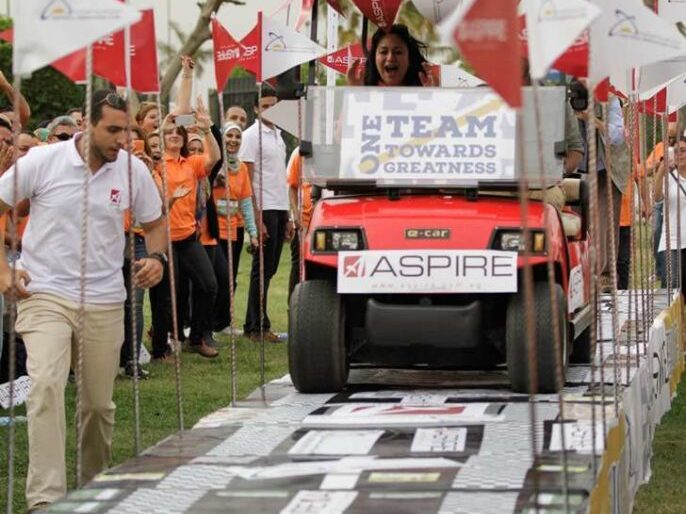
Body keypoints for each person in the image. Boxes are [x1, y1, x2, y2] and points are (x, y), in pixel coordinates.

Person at [0, 89, 166, 512]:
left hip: (106, 299)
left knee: (96, 406)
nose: (123, 139)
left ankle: (93, 490)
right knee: (46, 388)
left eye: (128, 130)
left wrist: (159, 258)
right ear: (86, 125)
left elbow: (156, 223)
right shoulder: (42, 162)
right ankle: (45, 499)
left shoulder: (133, 172)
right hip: (45, 293)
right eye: (113, 130)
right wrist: (3, 268)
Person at [162, 99, 221, 357]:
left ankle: (197, 338)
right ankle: (161, 344)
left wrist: (206, 130)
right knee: (169, 294)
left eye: (179, 133)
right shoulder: (155, 163)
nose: (175, 135)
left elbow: (215, 158)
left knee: (209, 285)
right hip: (163, 239)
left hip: (188, 237)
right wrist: (166, 122)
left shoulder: (191, 163)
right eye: (170, 133)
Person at [240, 84, 293, 343]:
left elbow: (279, 177)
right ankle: (254, 327)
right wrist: (256, 217)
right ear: (255, 108)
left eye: (274, 105)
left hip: (279, 207)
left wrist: (288, 217)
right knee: (261, 269)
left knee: (270, 269)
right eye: (265, 106)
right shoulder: (251, 136)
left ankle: (260, 322)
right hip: (264, 207)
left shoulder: (279, 135)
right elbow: (246, 180)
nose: (270, 110)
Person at [571, 80, 629, 287]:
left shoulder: (610, 100)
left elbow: (616, 136)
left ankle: (605, 277)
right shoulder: (564, 103)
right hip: (575, 169)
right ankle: (578, 271)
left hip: (607, 170)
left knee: (605, 224)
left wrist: (591, 119)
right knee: (575, 221)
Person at [214, 123, 258, 298]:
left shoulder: (242, 168)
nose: (233, 140)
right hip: (213, 231)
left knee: (230, 278)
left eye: (237, 136)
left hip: (234, 231)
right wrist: (214, 181)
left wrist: (253, 233)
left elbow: (246, 202)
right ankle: (208, 321)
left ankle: (225, 321)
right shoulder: (213, 162)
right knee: (217, 278)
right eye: (229, 135)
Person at [347, 24, 434, 87]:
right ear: (374, 59)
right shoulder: (362, 91)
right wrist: (355, 94)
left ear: (410, 59)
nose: (390, 58)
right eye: (383, 52)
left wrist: (433, 97)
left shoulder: (426, 90)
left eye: (398, 52)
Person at [654, 136, 686, 295]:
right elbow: (657, 196)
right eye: (676, 151)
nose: (680, 155)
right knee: (672, 293)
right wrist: (661, 170)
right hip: (672, 243)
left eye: (683, 150)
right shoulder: (669, 179)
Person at [287, 147, 312, 299]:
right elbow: (292, 186)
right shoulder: (300, 153)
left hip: (328, 221)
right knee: (298, 266)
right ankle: (293, 306)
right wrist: (295, 214)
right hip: (304, 221)